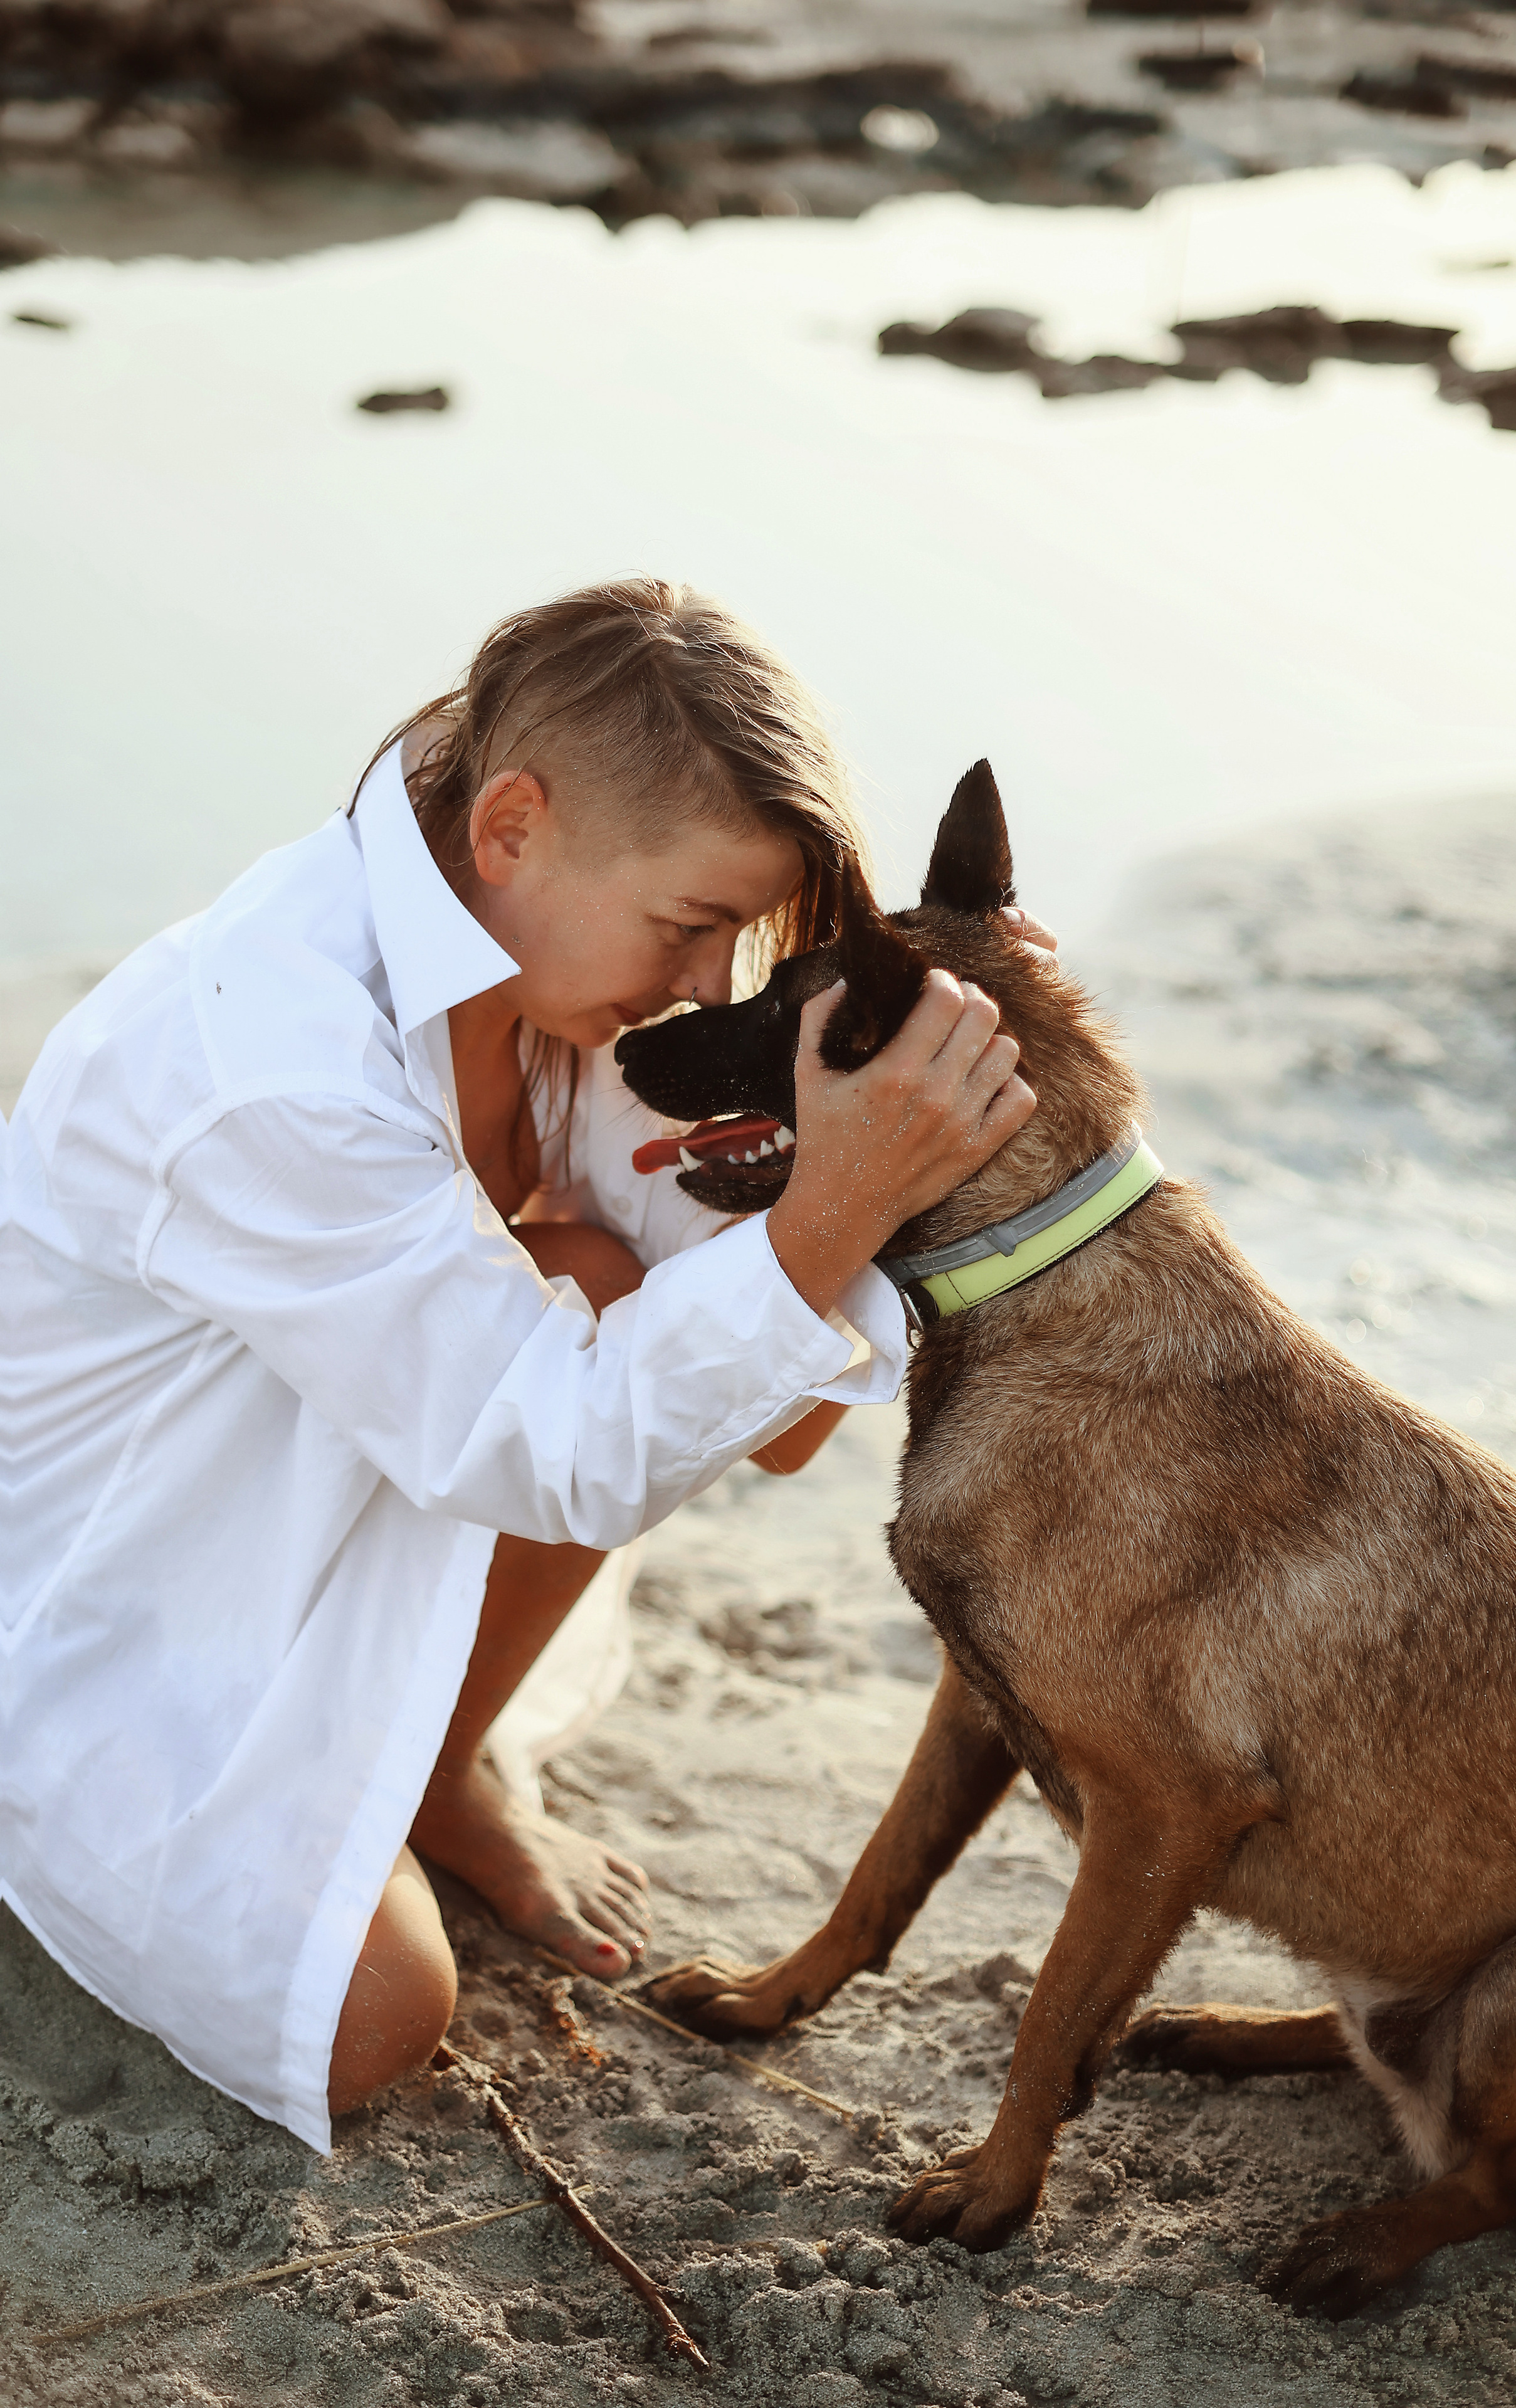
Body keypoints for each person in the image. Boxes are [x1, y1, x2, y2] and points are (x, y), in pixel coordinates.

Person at [2, 581, 1041, 2153]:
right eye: (690, 926)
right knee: (369, 2023)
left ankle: (436, 1767)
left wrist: (901, 1084)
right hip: (112, 1592)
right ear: (510, 828)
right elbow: (570, 1448)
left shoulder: (541, 962)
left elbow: (761, 1410)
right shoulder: (268, 1071)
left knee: (611, 1286)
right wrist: (841, 1198)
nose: (708, 985)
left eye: (737, 937)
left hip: (320, 1477)